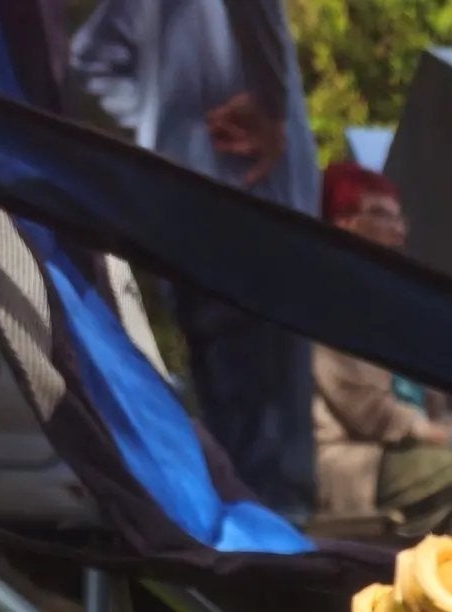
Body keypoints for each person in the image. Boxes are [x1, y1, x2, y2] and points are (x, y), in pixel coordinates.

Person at [70, 0, 318, 520]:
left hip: (184, 217)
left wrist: (162, 134)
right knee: (270, 450)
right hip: (255, 219)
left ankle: (235, 565)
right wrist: (272, 109)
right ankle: (268, 579)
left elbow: (89, 57)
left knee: (231, 419)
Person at [312, 162, 452, 533]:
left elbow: (433, 407)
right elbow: (370, 413)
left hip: (407, 448)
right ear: (343, 223)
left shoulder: (390, 306)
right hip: (354, 461)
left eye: (400, 219)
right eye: (380, 215)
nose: (398, 230)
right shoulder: (324, 304)